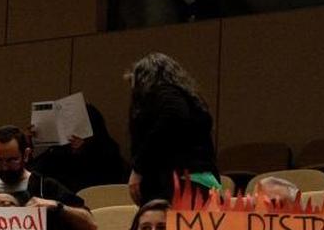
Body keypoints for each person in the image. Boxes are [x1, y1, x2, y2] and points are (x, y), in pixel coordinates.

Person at [0, 125, 97, 230]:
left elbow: (90, 225)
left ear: (26, 155)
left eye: (11, 160)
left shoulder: (44, 186)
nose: (4, 167)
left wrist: (56, 206)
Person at [126, 52, 220, 205]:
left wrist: (138, 168)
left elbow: (172, 118)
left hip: (177, 183)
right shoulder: (191, 99)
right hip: (205, 180)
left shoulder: (163, 93)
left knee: (170, 228)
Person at [30, 103, 126, 193]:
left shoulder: (109, 157)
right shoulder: (58, 153)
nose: (73, 136)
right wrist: (26, 143)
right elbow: (31, 174)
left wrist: (86, 148)